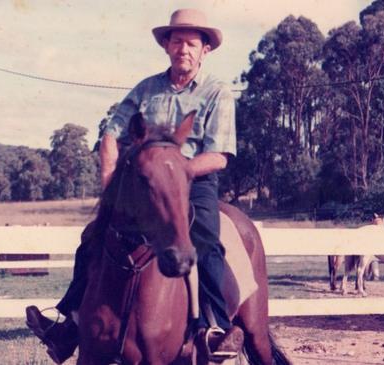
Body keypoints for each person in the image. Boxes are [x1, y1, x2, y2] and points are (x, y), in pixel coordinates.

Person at [25, 8, 238, 363]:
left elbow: (219, 156)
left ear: (205, 51)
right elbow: (111, 132)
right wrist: (110, 182)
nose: (183, 49)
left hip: (191, 180)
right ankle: (70, 324)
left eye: (191, 43)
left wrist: (173, 172)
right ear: (166, 47)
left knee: (205, 239)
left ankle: (214, 328)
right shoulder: (146, 89)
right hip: (142, 185)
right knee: (95, 234)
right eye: (176, 41)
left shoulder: (217, 92)